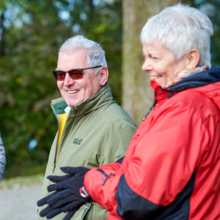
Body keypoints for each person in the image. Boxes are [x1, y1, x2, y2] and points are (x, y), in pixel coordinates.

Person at [38, 4, 220, 220]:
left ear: (190, 59)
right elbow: (140, 168)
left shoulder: (188, 109)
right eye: (60, 74)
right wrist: (92, 178)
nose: (145, 66)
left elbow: (137, 197)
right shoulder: (175, 103)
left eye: (155, 58)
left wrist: (88, 183)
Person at [37, 35, 137, 220]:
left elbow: (130, 204)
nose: (66, 82)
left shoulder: (117, 127)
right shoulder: (68, 117)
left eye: (76, 73)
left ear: (102, 75)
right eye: (60, 74)